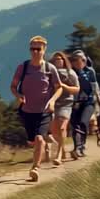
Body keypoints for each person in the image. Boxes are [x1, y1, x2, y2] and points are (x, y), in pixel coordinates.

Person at [10, 36, 63, 182]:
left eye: (38, 49)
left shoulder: (50, 68)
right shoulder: (23, 67)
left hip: (44, 111)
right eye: (32, 49)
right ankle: (45, 144)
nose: (35, 52)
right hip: (27, 110)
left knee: (39, 138)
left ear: (44, 50)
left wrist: (52, 101)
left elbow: (59, 88)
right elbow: (13, 86)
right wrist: (18, 95)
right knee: (32, 141)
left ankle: (35, 168)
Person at [48, 51, 80, 165]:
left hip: (66, 103)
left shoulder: (70, 73)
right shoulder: (49, 73)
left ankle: (59, 155)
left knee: (62, 127)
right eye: (56, 59)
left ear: (64, 60)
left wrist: (65, 87)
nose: (58, 61)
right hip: (53, 103)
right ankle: (62, 148)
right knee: (54, 129)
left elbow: (77, 89)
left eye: (60, 59)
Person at [68, 50, 99, 158]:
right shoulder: (70, 73)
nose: (77, 62)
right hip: (74, 103)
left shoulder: (90, 72)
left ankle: (81, 146)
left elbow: (94, 87)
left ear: (84, 60)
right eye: (74, 60)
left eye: (79, 60)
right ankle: (77, 148)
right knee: (75, 125)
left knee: (83, 123)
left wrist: (98, 100)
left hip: (88, 102)